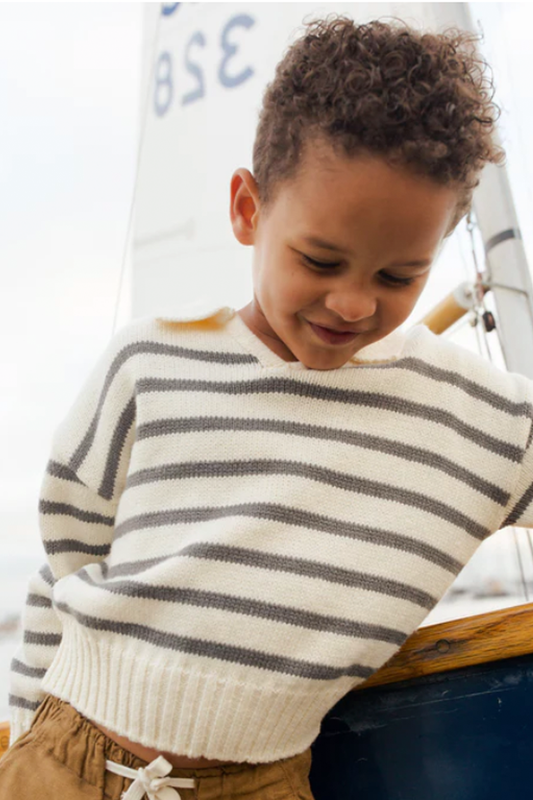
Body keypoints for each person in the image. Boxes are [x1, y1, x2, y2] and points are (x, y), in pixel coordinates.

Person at [2, 13, 531, 800]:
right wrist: (17, 739)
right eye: (319, 259)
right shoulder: (149, 360)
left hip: (262, 783)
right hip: (64, 760)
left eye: (397, 277)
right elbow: (66, 564)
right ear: (248, 209)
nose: (352, 302)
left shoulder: (476, 419)